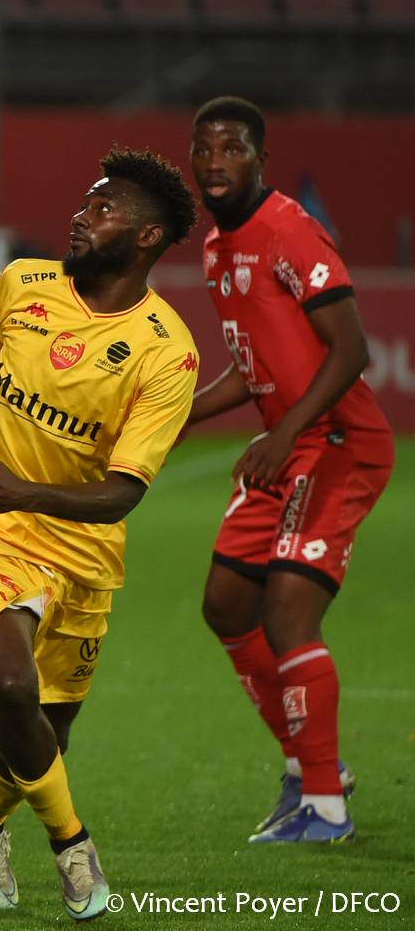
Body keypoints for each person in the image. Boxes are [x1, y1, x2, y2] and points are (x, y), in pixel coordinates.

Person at [0, 148, 200, 920]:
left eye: (103, 209)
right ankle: (73, 846)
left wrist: (26, 490)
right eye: (84, 203)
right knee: (12, 686)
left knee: (44, 732)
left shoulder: (166, 350)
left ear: (149, 238)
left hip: (81, 549)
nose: (81, 217)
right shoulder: (22, 284)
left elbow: (122, 493)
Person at [183, 96, 392, 845]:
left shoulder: (288, 230)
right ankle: (307, 767)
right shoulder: (216, 246)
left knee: (288, 615)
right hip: (291, 443)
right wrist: (182, 416)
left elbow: (351, 350)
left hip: (338, 441)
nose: (215, 161)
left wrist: (286, 432)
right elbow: (254, 366)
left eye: (232, 148)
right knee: (225, 605)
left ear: (259, 159)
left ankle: (326, 808)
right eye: (204, 148)